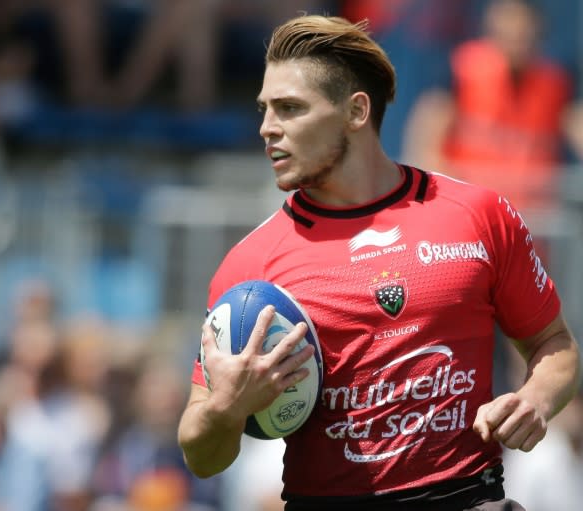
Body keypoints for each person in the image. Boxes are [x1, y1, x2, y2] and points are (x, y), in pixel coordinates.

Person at [176, 14, 581, 511]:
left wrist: (535, 399)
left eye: (290, 109)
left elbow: (555, 345)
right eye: (264, 109)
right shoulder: (251, 264)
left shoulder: (480, 216)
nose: (267, 128)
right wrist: (227, 408)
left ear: (356, 111)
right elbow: (200, 455)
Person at [402, 0, 583, 214]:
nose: (516, 33)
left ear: (537, 29)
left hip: (532, 216)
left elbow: (576, 125)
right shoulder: (460, 69)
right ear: (491, 26)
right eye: (508, 23)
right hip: (470, 210)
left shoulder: (556, 80)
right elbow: (426, 139)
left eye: (523, 27)